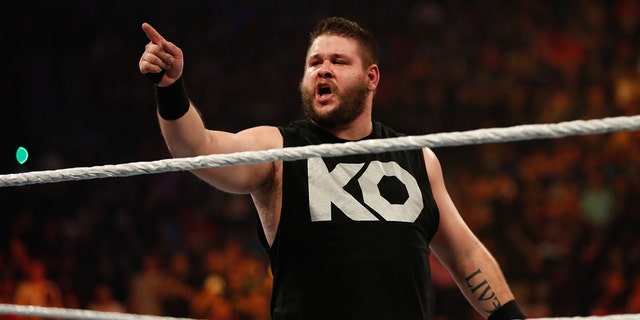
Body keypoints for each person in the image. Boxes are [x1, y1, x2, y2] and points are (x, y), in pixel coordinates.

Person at [138, 16, 526, 320]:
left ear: (371, 77)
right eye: (314, 63)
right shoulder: (279, 149)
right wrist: (171, 88)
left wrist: (510, 319)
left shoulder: (417, 158)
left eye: (338, 61)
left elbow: (464, 254)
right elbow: (198, 148)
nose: (323, 70)